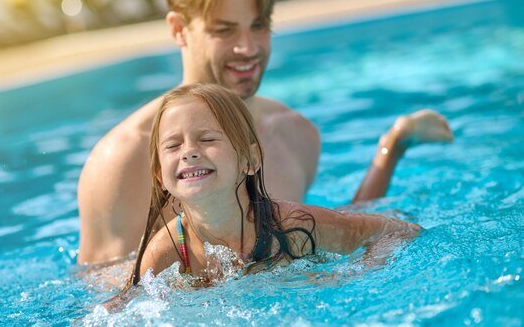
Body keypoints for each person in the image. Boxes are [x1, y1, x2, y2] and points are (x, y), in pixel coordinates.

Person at [77, 0, 452, 264]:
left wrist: (390, 151)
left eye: (259, 25)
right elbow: (107, 297)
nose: (248, 48)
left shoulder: (295, 135)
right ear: (178, 29)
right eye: (224, 30)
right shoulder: (123, 160)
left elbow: (331, 234)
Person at [118, 84, 426, 293]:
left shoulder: (294, 225)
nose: (189, 152)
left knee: (358, 211)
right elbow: (124, 307)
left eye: (208, 139)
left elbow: (395, 231)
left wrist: (352, 276)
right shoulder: (167, 252)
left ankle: (392, 148)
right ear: (159, 175)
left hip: (321, 234)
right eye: (173, 145)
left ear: (249, 159)